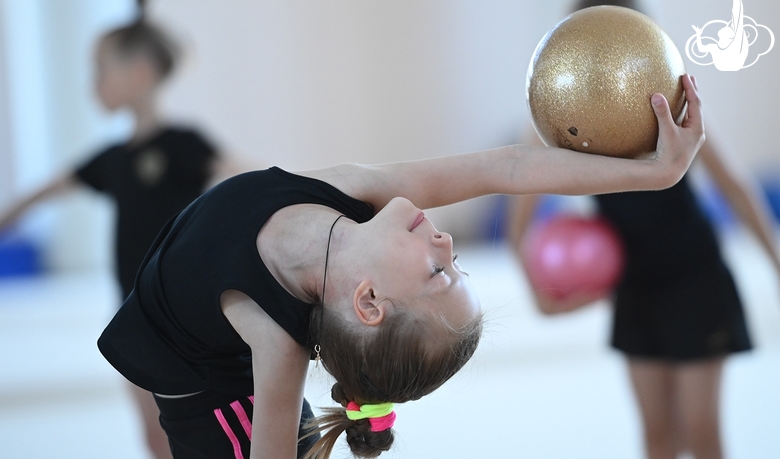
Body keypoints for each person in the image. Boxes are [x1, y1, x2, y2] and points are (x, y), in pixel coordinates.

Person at [95, 46, 704, 459]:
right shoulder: (350, 194)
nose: (445, 241)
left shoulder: (275, 347)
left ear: (368, 301)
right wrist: (655, 173)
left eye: (439, 273)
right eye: (456, 262)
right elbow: (509, 166)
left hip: (222, 416)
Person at [506, 0, 780, 458]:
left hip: (696, 280)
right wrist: (537, 293)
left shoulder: (672, 103)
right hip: (634, 287)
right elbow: (518, 221)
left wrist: (777, 262)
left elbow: (736, 187)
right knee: (657, 439)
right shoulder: (560, 119)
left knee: (701, 436)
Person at [0, 0, 243, 459]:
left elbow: (246, 175)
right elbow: (38, 195)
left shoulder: (184, 145)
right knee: (152, 432)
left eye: (100, 72)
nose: (93, 85)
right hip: (130, 315)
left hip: (180, 310)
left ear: (140, 74)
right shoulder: (112, 160)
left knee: (188, 425)